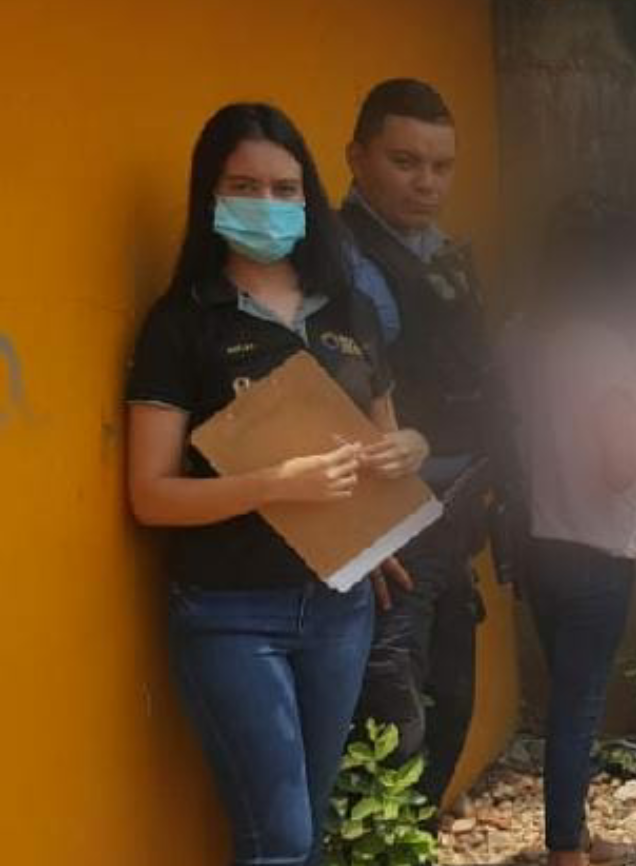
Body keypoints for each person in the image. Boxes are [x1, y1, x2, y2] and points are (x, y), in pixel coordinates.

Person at [126, 103, 429, 866]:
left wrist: (410, 451)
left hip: (339, 607)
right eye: (244, 186)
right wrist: (274, 482)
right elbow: (150, 494)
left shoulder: (350, 309)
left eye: (284, 188)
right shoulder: (183, 325)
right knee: (282, 841)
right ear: (211, 195)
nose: (267, 203)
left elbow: (387, 439)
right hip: (231, 613)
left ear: (308, 197)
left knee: (302, 830)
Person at [338, 78, 496, 814]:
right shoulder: (339, 265)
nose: (426, 182)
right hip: (391, 534)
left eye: (441, 165)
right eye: (405, 162)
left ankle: (416, 839)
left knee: (450, 704)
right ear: (357, 158)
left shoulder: (437, 253)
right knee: (393, 728)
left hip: (453, 517)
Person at [500, 195, 636, 866]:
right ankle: (566, 848)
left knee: (566, 697)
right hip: (598, 548)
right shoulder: (608, 349)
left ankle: (576, 830)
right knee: (578, 706)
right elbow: (621, 466)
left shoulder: (518, 336)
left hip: (536, 542)